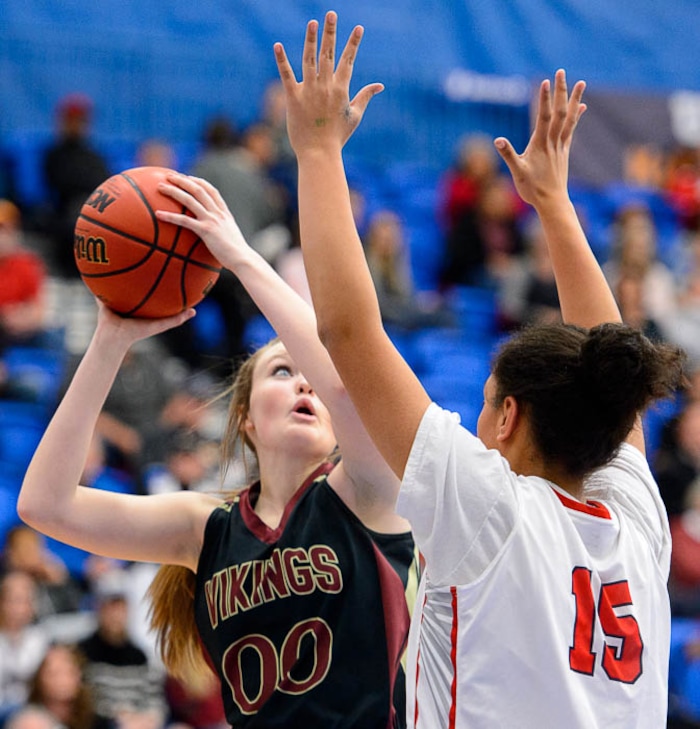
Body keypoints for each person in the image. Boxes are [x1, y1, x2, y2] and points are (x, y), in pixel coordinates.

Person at [273, 13, 686, 727]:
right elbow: (607, 350)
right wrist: (555, 206)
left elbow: (345, 329)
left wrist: (314, 152)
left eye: (486, 398)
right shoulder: (634, 519)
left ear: (510, 415)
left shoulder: (489, 507)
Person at [17, 170, 420, 728]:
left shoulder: (372, 492)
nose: (306, 384)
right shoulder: (207, 528)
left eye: (311, 378)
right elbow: (44, 505)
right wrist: (109, 339)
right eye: (282, 371)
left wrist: (243, 259)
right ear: (246, 418)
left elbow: (348, 381)